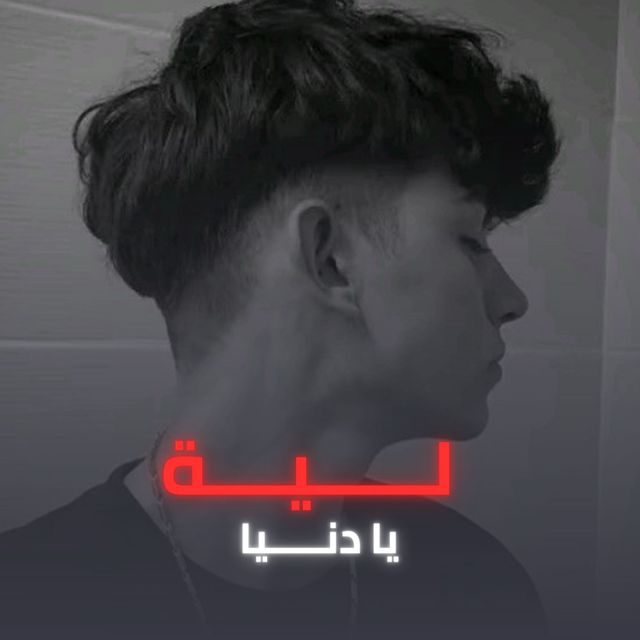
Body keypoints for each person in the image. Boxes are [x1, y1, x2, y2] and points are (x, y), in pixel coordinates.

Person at [0, 1, 562, 639]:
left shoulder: (476, 591)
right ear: (329, 258)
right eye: (471, 241)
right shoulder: (27, 603)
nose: (512, 299)